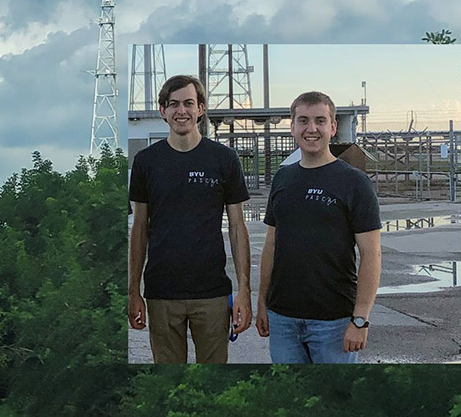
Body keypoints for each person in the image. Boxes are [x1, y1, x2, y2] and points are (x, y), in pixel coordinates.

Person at [128, 75, 252, 363]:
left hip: (211, 294)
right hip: (161, 293)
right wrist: (133, 291)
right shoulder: (147, 162)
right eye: (173, 104)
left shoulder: (224, 159)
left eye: (188, 103)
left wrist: (243, 291)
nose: (180, 111)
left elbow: (237, 227)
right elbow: (139, 230)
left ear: (201, 108)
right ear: (163, 110)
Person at [255, 91, 382, 363]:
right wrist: (262, 302)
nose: (311, 129)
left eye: (320, 121)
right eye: (303, 121)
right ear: (292, 127)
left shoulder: (354, 183)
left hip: (334, 322)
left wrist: (360, 319)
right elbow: (271, 245)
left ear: (333, 127)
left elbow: (371, 254)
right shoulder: (283, 178)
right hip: (283, 319)